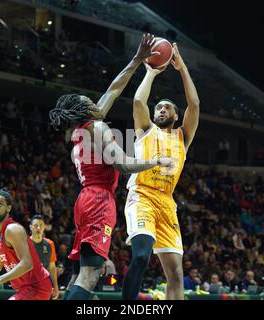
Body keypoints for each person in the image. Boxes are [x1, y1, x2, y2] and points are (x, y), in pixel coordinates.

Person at [48, 34, 173, 300]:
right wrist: (155, 161)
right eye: (89, 101)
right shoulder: (99, 127)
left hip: (85, 199)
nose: (96, 101)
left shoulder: (83, 129)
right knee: (91, 275)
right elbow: (123, 165)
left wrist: (137, 60)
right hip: (98, 200)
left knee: (79, 274)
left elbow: (114, 90)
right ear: (86, 110)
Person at [123, 42, 200, 300]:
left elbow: (195, 104)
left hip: (167, 203)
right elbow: (137, 101)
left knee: (176, 274)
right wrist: (151, 72)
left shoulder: (183, 136)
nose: (162, 110)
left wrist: (182, 68)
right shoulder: (146, 129)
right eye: (159, 108)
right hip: (142, 195)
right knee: (142, 256)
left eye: (167, 108)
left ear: (176, 116)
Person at [29, 214, 59, 299]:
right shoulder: (25, 244)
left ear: (44, 227)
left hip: (45, 285)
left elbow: (52, 267)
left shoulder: (50, 244)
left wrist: (56, 287)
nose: (38, 228)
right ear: (30, 227)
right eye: (35, 225)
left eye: (41, 225)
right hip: (28, 285)